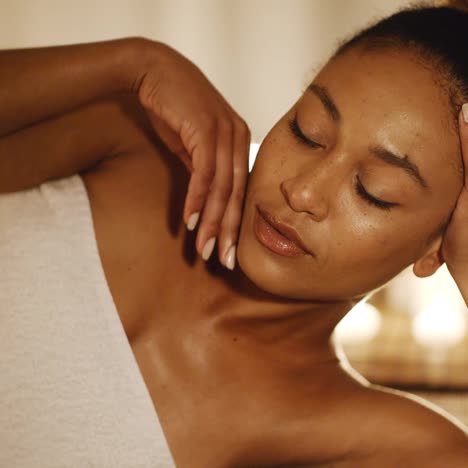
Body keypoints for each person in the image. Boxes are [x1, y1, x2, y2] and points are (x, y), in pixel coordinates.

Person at [1, 3, 468, 468]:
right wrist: (134, 62)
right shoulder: (137, 145)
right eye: (307, 132)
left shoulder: (372, 435)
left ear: (438, 247)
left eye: (373, 191)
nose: (302, 190)